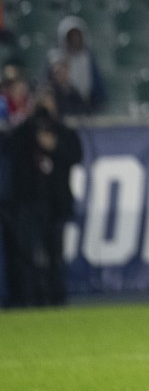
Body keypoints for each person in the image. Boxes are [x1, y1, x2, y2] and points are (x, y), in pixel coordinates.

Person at [3, 91, 82, 307]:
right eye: (40, 104)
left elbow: (75, 156)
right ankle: (29, 299)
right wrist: (32, 128)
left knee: (55, 254)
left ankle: (56, 298)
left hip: (56, 202)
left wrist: (53, 147)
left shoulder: (63, 132)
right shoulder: (25, 133)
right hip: (29, 202)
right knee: (27, 254)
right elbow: (11, 146)